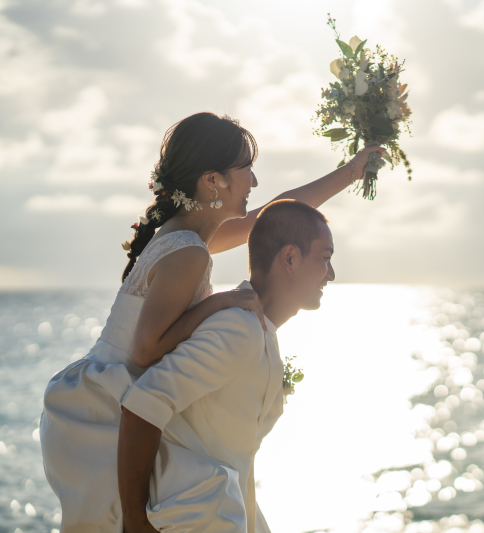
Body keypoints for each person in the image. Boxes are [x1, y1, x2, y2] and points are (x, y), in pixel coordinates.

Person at [39, 112, 382, 532]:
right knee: (214, 499)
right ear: (212, 180)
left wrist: (351, 171)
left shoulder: (187, 235)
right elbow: (147, 348)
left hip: (99, 398)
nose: (254, 182)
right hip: (105, 410)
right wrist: (219, 303)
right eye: (246, 169)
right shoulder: (190, 250)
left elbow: (273, 215)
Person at [119, 199, 333, 533]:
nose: (331, 274)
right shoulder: (238, 329)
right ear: (289, 258)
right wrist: (134, 519)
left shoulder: (261, 334)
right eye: (325, 258)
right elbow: (143, 404)